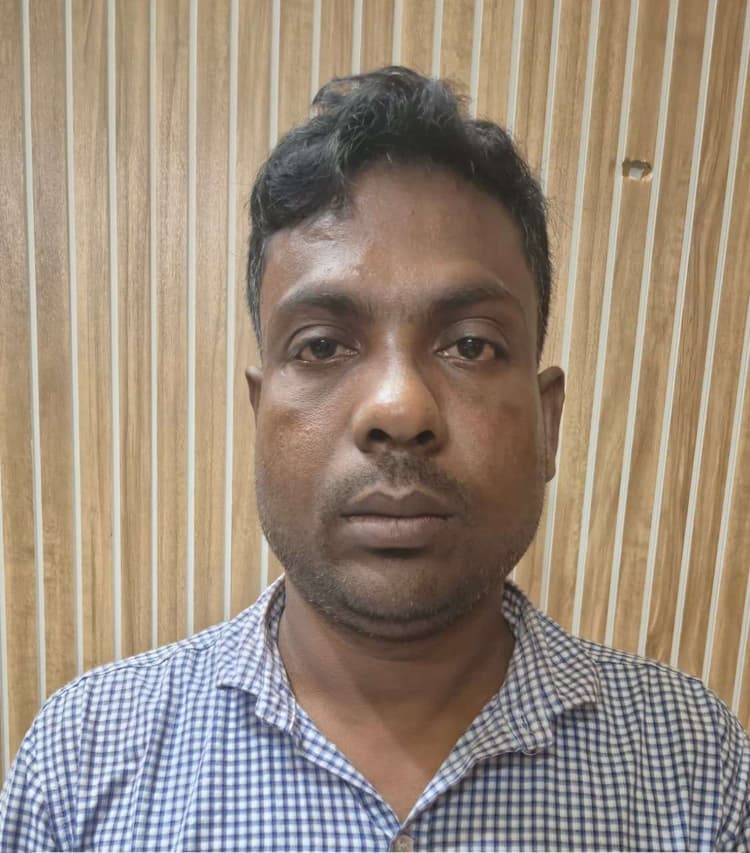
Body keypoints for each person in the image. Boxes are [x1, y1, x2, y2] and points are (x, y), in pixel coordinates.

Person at [0, 66, 748, 852]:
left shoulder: (694, 766)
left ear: (548, 421)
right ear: (260, 415)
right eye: (322, 345)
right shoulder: (83, 763)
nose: (399, 407)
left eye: (470, 345)